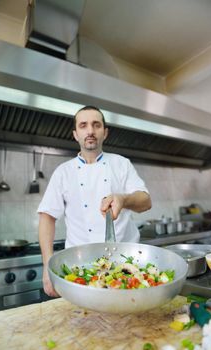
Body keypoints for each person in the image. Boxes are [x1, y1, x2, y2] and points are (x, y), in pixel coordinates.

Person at [38, 105, 152, 296]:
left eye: (96, 125)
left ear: (105, 133)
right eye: (83, 125)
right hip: (81, 269)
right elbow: (47, 217)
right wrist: (47, 265)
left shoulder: (121, 164)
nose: (90, 131)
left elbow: (146, 201)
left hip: (125, 267)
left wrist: (123, 199)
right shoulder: (63, 173)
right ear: (75, 134)